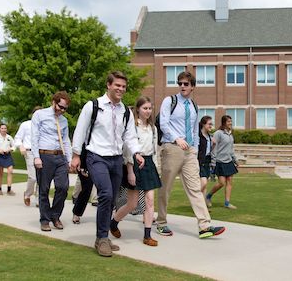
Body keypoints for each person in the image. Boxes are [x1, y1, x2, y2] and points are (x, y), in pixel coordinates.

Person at [70, 71, 144, 257]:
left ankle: (102, 236)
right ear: (109, 85)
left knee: (111, 200)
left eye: (123, 87)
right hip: (96, 157)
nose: (120, 89)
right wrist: (76, 155)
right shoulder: (93, 106)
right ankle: (102, 238)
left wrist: (136, 152)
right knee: (105, 194)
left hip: (116, 159)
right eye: (117, 85)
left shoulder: (125, 111)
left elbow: (130, 136)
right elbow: (80, 130)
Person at [157, 71, 225, 238]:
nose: (182, 86)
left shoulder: (194, 106)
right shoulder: (169, 101)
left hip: (189, 152)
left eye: (186, 84)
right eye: (180, 83)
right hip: (172, 148)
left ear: (192, 86)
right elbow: (163, 123)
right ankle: (161, 223)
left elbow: (195, 130)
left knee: (195, 188)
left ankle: (204, 226)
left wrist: (194, 149)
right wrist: (177, 139)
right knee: (166, 188)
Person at [110, 97, 162, 247]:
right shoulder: (132, 127)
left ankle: (147, 235)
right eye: (145, 108)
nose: (148, 111)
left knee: (150, 201)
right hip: (134, 164)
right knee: (132, 204)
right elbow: (127, 151)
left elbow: (154, 151)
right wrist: (130, 171)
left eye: (150, 108)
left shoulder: (153, 128)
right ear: (138, 109)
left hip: (149, 165)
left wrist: (156, 169)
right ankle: (114, 223)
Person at [31, 91, 72, 232]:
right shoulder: (40, 115)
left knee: (63, 187)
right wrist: (36, 157)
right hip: (44, 155)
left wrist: (69, 159)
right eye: (60, 107)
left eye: (65, 108)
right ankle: (45, 219)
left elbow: (66, 140)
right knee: (44, 189)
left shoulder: (64, 120)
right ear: (53, 102)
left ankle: (55, 215)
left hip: (60, 157)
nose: (62, 110)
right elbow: (34, 137)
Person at [206, 115, 239, 209]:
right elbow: (214, 148)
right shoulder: (218, 133)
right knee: (221, 183)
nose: (230, 123)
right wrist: (213, 162)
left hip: (229, 161)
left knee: (229, 182)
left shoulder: (230, 135)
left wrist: (235, 160)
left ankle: (227, 203)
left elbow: (231, 149)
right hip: (219, 161)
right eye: (229, 121)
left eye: (231, 121)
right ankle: (208, 196)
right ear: (224, 122)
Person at [14, 107, 41, 206]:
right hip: (29, 152)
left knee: (41, 177)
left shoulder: (43, 125)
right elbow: (17, 138)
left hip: (41, 153)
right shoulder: (25, 125)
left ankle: (38, 198)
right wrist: (21, 146)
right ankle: (27, 194)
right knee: (33, 177)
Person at [0, 123, 16, 196]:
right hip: (0, 155)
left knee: (10, 171)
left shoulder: (9, 137)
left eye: (5, 128)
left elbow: (14, 146)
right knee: (0, 173)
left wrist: (10, 149)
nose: (4, 130)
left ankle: (9, 189)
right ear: (0, 129)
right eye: (2, 128)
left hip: (8, 155)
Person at [198, 115, 214, 206]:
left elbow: (210, 151)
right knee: (203, 183)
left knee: (205, 186)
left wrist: (214, 145)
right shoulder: (198, 136)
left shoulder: (210, 136)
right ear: (203, 124)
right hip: (199, 162)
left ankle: (203, 207)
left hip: (207, 161)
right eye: (209, 124)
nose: (211, 126)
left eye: (212, 124)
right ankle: (196, 200)